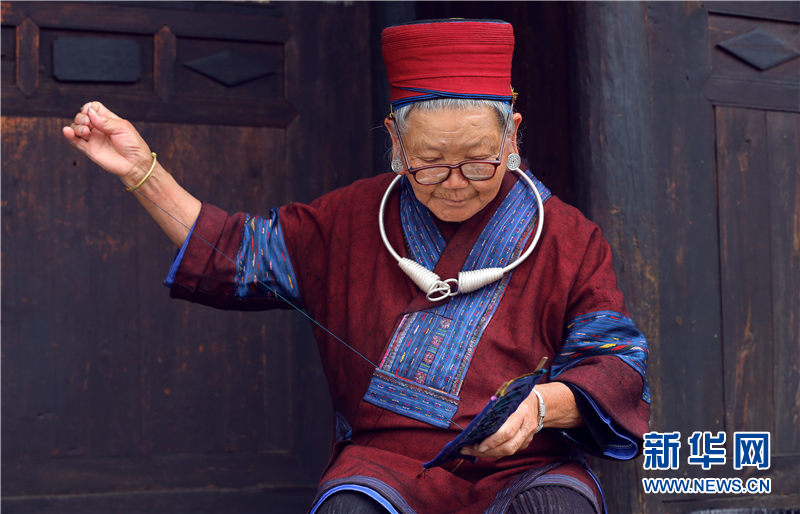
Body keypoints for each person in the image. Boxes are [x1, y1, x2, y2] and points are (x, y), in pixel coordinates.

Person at [63, 19, 649, 514]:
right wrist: (143, 172)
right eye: (429, 163)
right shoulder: (350, 216)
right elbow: (237, 253)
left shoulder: (567, 233)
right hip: (387, 465)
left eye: (478, 163)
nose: (454, 184)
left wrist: (543, 406)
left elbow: (616, 362)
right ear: (395, 139)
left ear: (513, 134)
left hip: (526, 462)